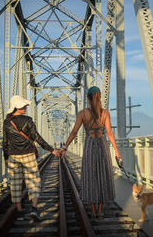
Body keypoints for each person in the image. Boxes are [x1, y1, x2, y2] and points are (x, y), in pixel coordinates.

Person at [60, 86, 122, 218]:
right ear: (99, 96)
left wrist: (65, 147)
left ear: (88, 98)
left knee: (91, 176)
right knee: (102, 176)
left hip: (89, 146)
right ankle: (100, 210)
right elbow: (110, 133)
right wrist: (117, 152)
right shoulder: (105, 113)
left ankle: (93, 210)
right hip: (102, 146)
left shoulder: (83, 113)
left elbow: (74, 132)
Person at [2, 95, 60, 220]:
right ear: (19, 107)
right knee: (33, 182)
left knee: (15, 183)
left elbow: (5, 142)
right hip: (28, 155)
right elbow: (37, 138)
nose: (26, 107)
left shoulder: (6, 123)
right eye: (24, 105)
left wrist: (6, 157)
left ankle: (19, 209)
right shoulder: (28, 120)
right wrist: (52, 150)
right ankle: (34, 208)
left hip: (13, 157)